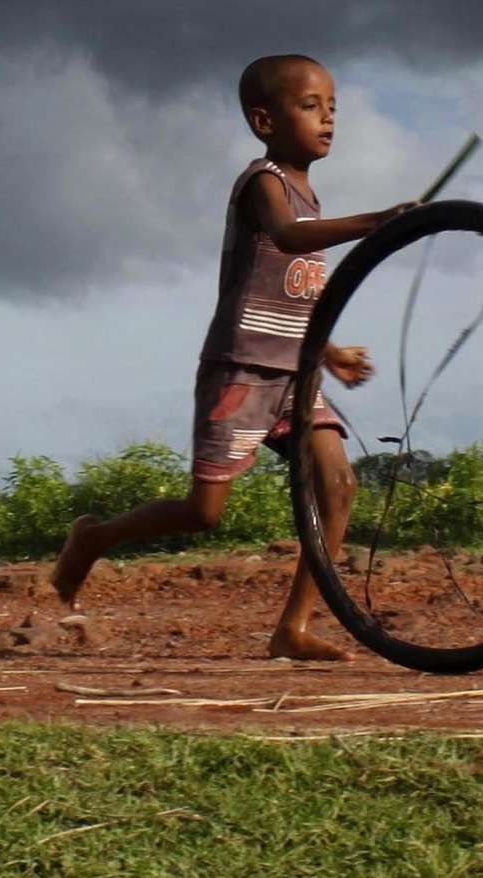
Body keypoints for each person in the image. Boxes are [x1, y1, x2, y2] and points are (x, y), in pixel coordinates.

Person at [52, 55, 406, 660]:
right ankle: (95, 537)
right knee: (203, 512)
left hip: (295, 373)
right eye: (310, 106)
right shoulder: (263, 182)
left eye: (333, 108)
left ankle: (292, 626)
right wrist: (379, 221)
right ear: (264, 120)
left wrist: (331, 353)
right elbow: (288, 238)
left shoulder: (311, 198)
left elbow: (294, 300)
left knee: (338, 484)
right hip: (241, 369)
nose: (327, 120)